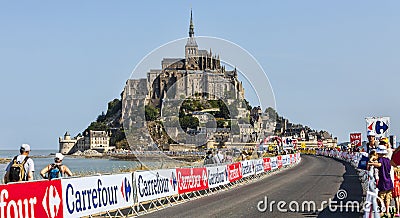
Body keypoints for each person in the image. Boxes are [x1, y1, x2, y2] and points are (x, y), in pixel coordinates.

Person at [369, 145, 393, 216]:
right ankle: (387, 211)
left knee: (381, 197)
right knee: (388, 198)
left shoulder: (381, 159)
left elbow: (379, 165)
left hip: (383, 181)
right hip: (389, 181)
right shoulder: (388, 160)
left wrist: (371, 163)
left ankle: (382, 211)